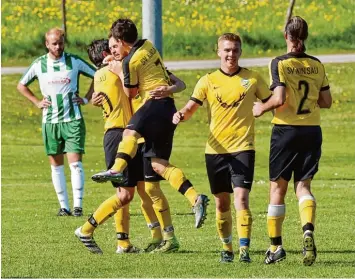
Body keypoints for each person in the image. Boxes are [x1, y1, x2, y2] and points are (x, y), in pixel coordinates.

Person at [92, 18, 209, 229]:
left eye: (114, 46)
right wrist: (169, 89)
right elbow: (180, 83)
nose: (113, 52)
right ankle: (195, 198)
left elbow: (131, 92)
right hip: (166, 110)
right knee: (157, 167)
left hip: (152, 109)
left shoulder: (130, 63)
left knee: (128, 135)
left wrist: (119, 71)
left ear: (121, 41)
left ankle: (117, 169)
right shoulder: (149, 46)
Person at [74, 37, 185, 254]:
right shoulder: (112, 71)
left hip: (130, 135)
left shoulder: (101, 75)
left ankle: (128, 242)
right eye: (114, 49)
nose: (120, 52)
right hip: (120, 135)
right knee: (125, 194)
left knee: (138, 189)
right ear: (107, 54)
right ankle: (87, 229)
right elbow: (129, 92)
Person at [173, 33, 271, 263]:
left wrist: (264, 107)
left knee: (242, 200)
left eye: (235, 50)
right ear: (218, 51)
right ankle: (227, 248)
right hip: (215, 151)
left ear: (240, 52)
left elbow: (271, 101)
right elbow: (191, 107)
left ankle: (244, 250)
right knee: (221, 202)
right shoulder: (207, 80)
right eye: (226, 50)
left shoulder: (253, 79)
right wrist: (181, 115)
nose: (231, 54)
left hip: (243, 147)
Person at [252, 16, 332, 266]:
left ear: (286, 36)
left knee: (278, 189)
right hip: (311, 131)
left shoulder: (279, 63)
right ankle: (307, 229)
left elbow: (279, 98)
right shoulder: (317, 65)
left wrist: (261, 108)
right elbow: (326, 102)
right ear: (305, 36)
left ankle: (275, 248)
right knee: (304, 187)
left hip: (286, 131)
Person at [17, 27, 95, 217]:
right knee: (56, 165)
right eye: (54, 43)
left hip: (73, 120)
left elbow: (99, 75)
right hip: (50, 122)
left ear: (63, 43)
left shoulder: (74, 62)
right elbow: (21, 85)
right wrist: (36, 101)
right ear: (47, 44)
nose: (58, 46)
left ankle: (78, 206)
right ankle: (64, 207)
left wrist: (86, 99)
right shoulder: (39, 64)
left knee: (75, 164)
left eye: (60, 43)